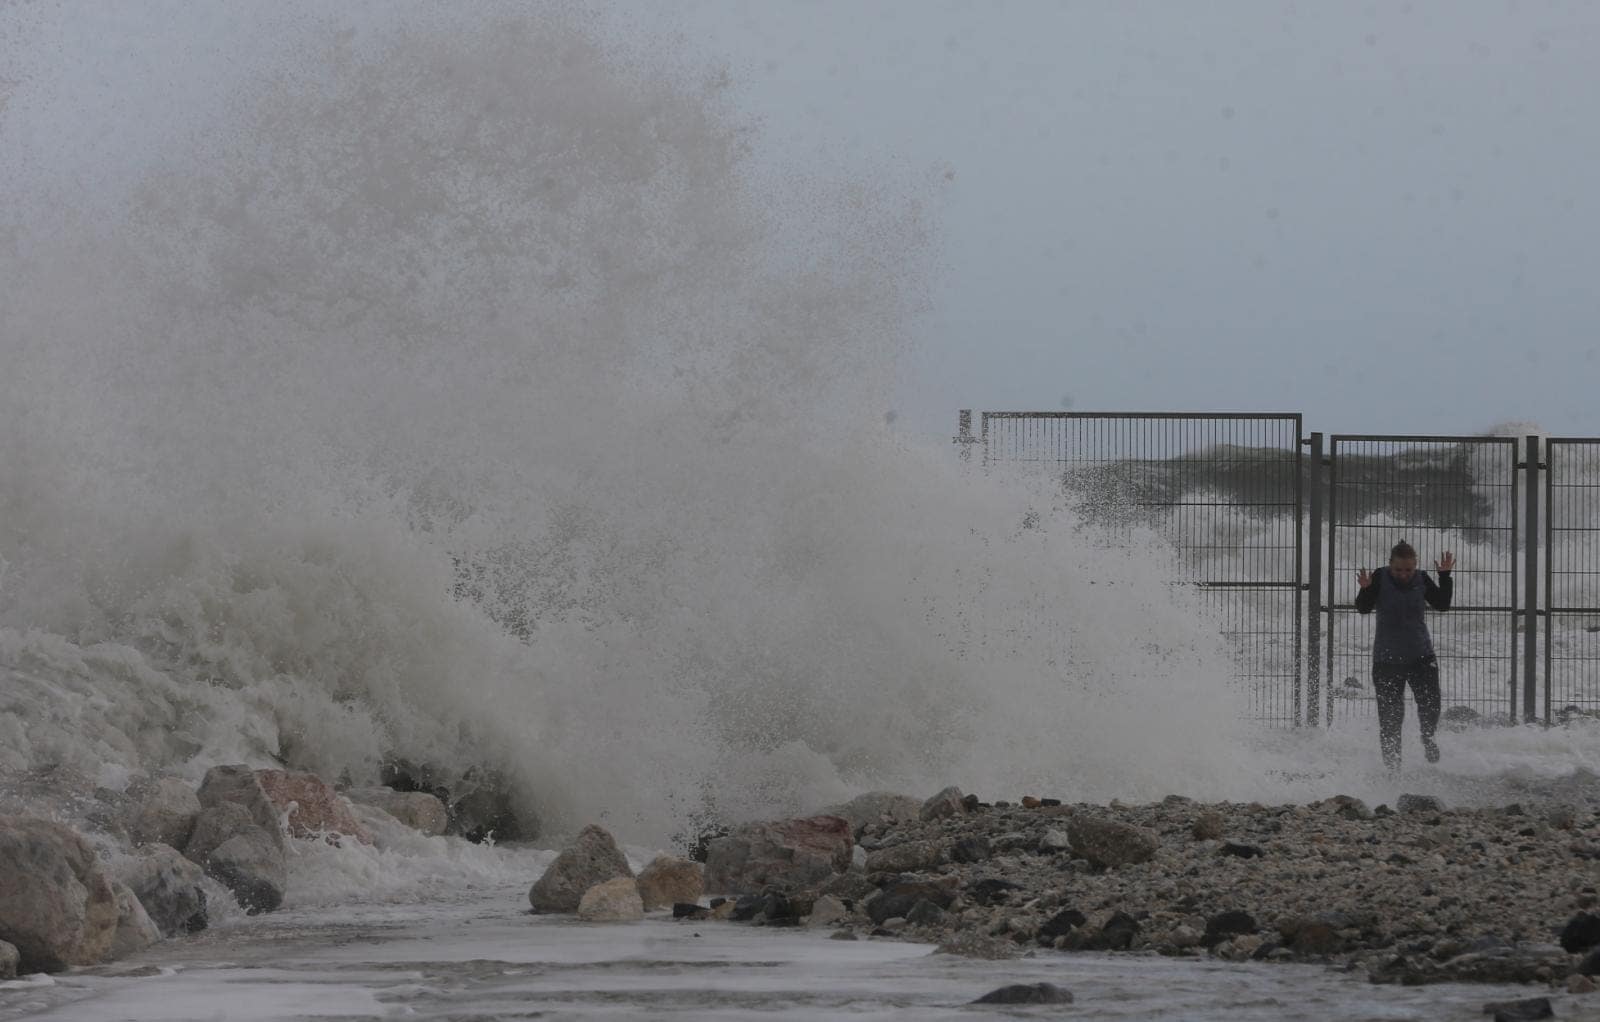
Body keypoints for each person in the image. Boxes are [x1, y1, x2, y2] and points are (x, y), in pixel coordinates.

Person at [1355, 540, 1454, 770]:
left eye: (1408, 569)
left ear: (1415, 566)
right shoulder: (1379, 578)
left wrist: (1445, 577)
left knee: (1431, 705)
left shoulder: (1422, 579)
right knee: (1390, 717)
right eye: (1398, 570)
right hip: (1387, 660)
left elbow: (1442, 605)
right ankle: (1393, 767)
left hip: (1421, 655)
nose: (1403, 574)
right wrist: (1366, 588)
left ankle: (1428, 738)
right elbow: (1363, 608)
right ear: (1390, 566)